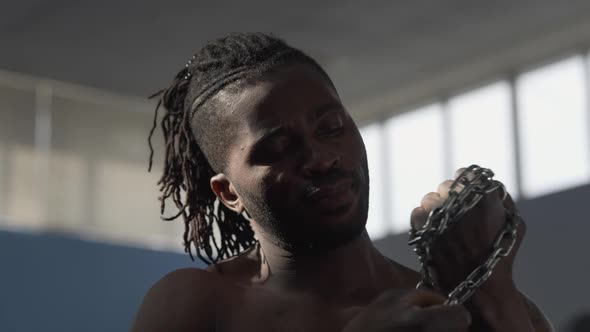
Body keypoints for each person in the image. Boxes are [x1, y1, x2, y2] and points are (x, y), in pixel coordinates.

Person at [131, 33, 553, 331]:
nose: (320, 158)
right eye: (277, 148)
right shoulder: (199, 303)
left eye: (331, 127)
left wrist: (491, 293)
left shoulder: (450, 304)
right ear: (228, 192)